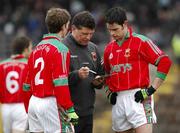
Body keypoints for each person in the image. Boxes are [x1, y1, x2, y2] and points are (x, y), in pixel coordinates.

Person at [103, 7, 172, 133]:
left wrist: (151, 89)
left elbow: (165, 62)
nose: (112, 33)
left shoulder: (140, 41)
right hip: (118, 100)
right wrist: (109, 92)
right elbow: (106, 74)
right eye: (109, 30)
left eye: (115, 29)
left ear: (124, 24)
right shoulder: (108, 49)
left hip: (139, 97)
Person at [23, 8, 78, 133]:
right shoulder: (61, 49)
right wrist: (69, 108)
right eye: (68, 25)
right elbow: (60, 82)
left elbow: (26, 85)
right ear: (64, 26)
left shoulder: (36, 48)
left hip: (34, 102)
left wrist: (28, 108)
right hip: (50, 103)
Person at [62, 11, 104, 133]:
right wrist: (77, 75)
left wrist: (98, 82)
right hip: (68, 112)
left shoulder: (93, 48)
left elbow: (99, 75)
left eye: (91, 34)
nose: (88, 37)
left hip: (88, 111)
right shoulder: (62, 48)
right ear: (73, 28)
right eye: (84, 34)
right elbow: (56, 80)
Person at [0, 36, 32, 133]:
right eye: (31, 48)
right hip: (21, 107)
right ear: (25, 50)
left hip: (5, 108)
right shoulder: (28, 65)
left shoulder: (1, 65)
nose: (32, 51)